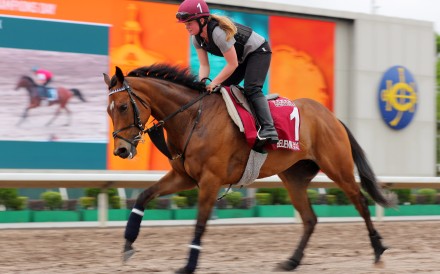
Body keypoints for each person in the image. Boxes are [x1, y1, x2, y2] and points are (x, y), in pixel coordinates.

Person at [176, 0, 279, 145]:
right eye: (185, 24)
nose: (187, 27)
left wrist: (214, 82)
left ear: (202, 20)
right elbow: (204, 66)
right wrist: (202, 84)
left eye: (189, 23)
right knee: (221, 90)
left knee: (252, 88)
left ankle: (269, 128)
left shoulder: (218, 33)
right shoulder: (196, 39)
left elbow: (233, 64)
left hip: (258, 51)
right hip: (242, 57)